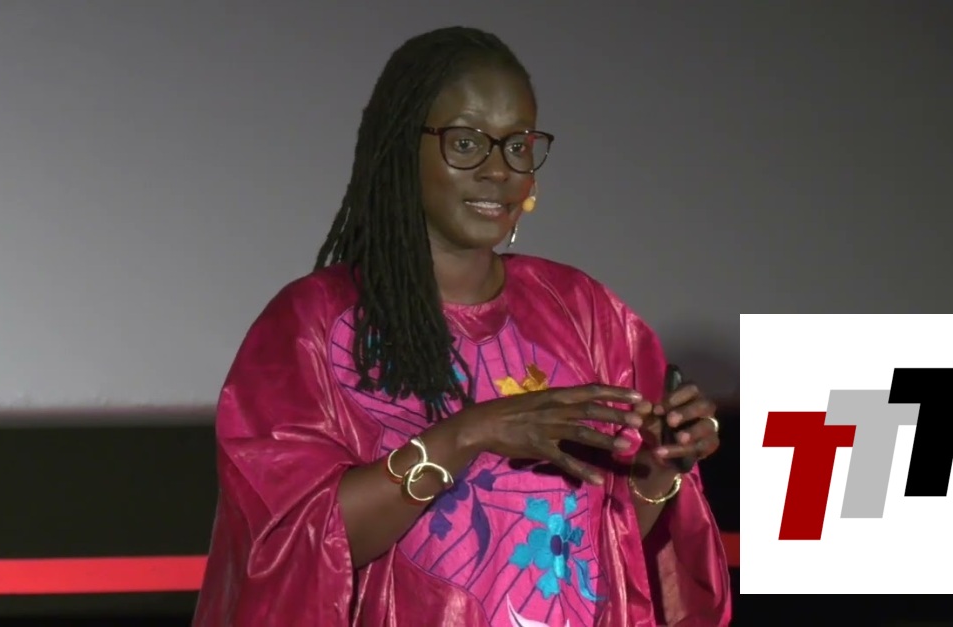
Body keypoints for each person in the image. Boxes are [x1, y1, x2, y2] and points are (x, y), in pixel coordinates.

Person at [193, 26, 732, 627]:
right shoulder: (312, 325)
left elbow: (608, 548)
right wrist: (466, 435)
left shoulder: (584, 312)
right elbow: (291, 545)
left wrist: (660, 464)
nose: (498, 170)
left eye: (517, 145)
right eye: (467, 143)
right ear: (402, 147)